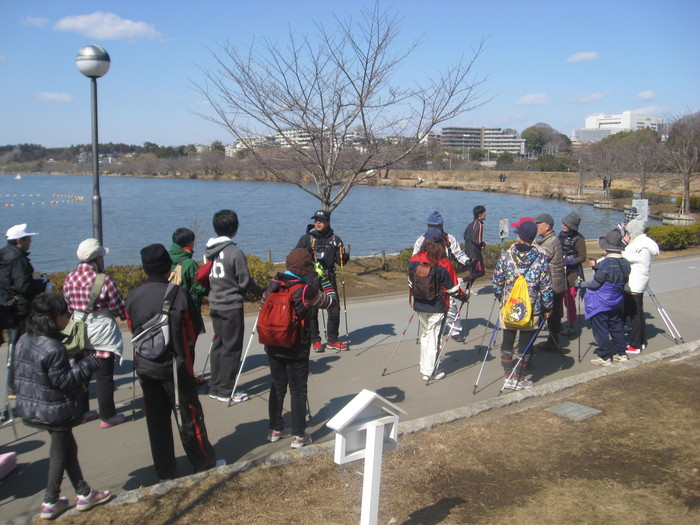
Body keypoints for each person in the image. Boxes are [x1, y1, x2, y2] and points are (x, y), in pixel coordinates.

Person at [126, 244, 221, 480]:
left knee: (156, 420)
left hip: (145, 365)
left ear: (144, 267)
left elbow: (131, 328)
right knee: (188, 415)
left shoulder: (133, 296)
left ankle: (164, 471)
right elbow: (193, 330)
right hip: (176, 366)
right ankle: (203, 462)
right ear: (168, 266)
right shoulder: (177, 293)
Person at [13, 294, 111, 519]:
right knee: (59, 451)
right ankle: (50, 500)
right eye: (64, 314)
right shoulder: (53, 348)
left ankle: (84, 492)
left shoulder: (23, 340)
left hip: (33, 406)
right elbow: (65, 382)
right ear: (51, 318)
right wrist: (89, 363)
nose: (68, 318)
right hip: (54, 409)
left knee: (68, 448)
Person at [262, 248, 338, 448]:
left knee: (277, 387)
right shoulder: (305, 290)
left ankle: (275, 429)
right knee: (298, 390)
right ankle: (299, 435)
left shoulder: (273, 284)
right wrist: (326, 282)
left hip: (273, 343)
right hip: (296, 346)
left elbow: (263, 304)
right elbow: (331, 302)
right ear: (306, 268)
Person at [62, 238, 126, 428]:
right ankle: (107, 416)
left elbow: (67, 305)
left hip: (79, 329)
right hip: (101, 330)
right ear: (97, 258)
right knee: (104, 375)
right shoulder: (103, 280)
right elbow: (117, 307)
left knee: (82, 373)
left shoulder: (70, 278)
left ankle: (82, 412)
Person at [204, 210, 263, 403]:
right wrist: (260, 292)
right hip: (230, 305)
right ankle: (226, 390)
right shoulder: (234, 252)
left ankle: (215, 385)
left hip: (215, 303)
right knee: (231, 348)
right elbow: (244, 281)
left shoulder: (208, 250)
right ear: (234, 229)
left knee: (218, 344)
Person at [493, 219, 553, 390]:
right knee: (525, 346)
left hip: (510, 306)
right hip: (532, 309)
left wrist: (502, 298)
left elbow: (497, 282)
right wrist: (548, 307)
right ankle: (518, 378)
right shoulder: (540, 258)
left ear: (519, 236)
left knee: (507, 342)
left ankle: (508, 377)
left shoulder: (507, 257)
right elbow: (546, 287)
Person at [409, 228, 468, 381]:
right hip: (438, 306)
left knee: (425, 334)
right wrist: (464, 296)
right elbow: (453, 289)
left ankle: (424, 366)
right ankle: (430, 371)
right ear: (442, 243)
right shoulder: (444, 262)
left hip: (420, 304)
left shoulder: (415, 259)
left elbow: (410, 283)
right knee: (435, 337)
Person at [0, 224, 50, 394]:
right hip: (21, 309)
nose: (30, 242)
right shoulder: (19, 260)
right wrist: (42, 284)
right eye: (28, 239)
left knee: (15, 344)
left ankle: (15, 382)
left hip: (8, 307)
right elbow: (24, 286)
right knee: (25, 344)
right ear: (19, 241)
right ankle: (20, 382)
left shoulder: (4, 256)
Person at [295, 210, 349, 352]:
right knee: (312, 310)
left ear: (328, 222)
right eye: (316, 220)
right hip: (312, 277)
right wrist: (308, 249)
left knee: (334, 308)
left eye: (321, 220)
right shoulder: (306, 239)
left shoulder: (335, 239)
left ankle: (332, 339)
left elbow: (341, 261)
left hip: (328, 277)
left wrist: (344, 254)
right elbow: (296, 258)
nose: (318, 222)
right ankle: (315, 340)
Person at [577, 228, 631, 366]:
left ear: (607, 247)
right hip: (616, 299)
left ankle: (605, 356)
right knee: (616, 327)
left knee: (601, 329)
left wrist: (581, 284)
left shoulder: (604, 264)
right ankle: (621, 353)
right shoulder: (625, 263)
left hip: (601, 302)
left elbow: (596, 284)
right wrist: (597, 268)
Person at [413, 211, 470, 341]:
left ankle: (455, 330)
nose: (432, 228)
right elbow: (415, 259)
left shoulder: (449, 239)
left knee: (451, 304)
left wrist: (467, 261)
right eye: (430, 226)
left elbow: (458, 254)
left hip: (444, 274)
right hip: (426, 277)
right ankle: (428, 333)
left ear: (441, 226)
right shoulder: (421, 240)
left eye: (435, 226)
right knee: (427, 304)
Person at [622, 219, 659, 355]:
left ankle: (635, 344)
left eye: (629, 231)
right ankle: (641, 342)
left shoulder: (637, 245)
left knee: (634, 315)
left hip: (634, 284)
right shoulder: (646, 244)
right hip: (640, 282)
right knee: (639, 314)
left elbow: (623, 257)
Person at [534, 214, 566, 352]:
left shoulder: (551, 242)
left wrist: (530, 242)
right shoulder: (551, 239)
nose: (536, 227)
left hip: (551, 285)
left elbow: (541, 255)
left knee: (544, 315)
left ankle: (531, 345)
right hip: (556, 284)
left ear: (547, 226)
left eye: (538, 224)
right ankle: (553, 341)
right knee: (552, 316)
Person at [558, 213, 586, 336]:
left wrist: (571, 260)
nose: (563, 226)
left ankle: (571, 324)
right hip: (560, 271)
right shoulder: (560, 235)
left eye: (566, 224)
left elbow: (583, 257)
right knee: (558, 299)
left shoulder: (579, 239)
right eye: (563, 223)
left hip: (572, 273)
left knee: (569, 300)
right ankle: (557, 322)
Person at [169, 228, 208, 312]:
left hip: (170, 307)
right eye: (192, 241)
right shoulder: (189, 264)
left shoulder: (166, 260)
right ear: (188, 244)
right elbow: (201, 288)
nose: (194, 244)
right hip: (189, 309)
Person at [463, 205, 487, 288]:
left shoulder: (470, 224)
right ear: (479, 214)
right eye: (484, 213)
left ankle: (467, 289)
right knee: (481, 272)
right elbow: (477, 240)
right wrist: (482, 244)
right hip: (475, 253)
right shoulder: (479, 224)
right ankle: (462, 281)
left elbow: (465, 236)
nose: (485, 214)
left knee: (473, 272)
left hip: (468, 250)